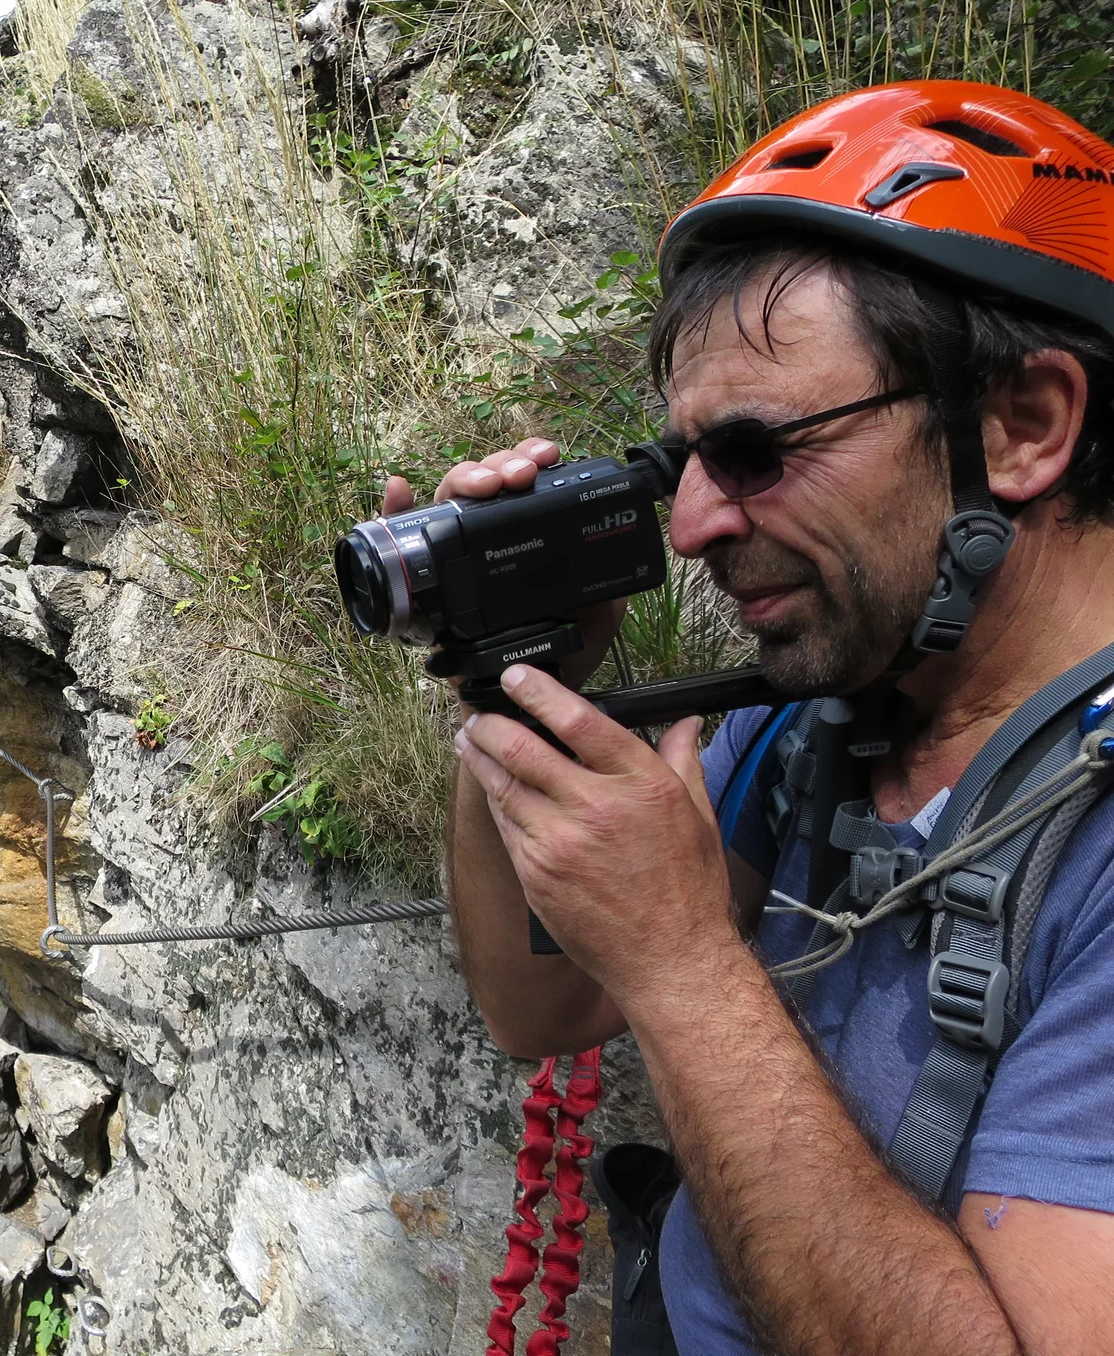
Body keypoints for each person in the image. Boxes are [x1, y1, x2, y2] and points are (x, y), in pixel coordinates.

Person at [393, 82, 1114, 1354]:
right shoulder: (829, 710)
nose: (692, 529)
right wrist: (510, 670)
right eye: (685, 465)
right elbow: (541, 1010)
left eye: (757, 452)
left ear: (1021, 426)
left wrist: (683, 964)